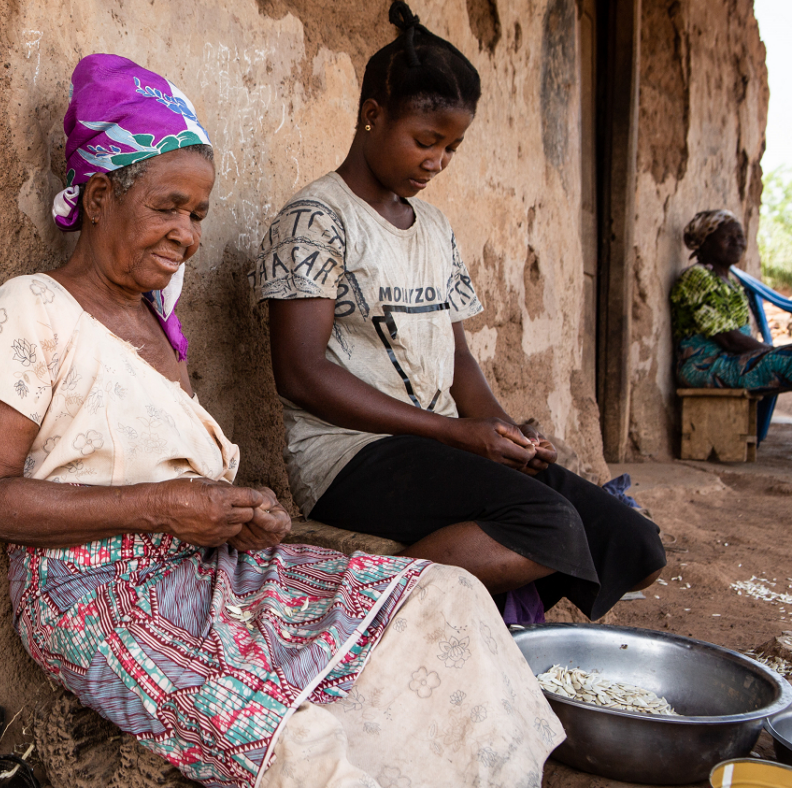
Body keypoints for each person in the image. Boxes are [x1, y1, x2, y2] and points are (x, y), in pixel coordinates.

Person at [0, 52, 561, 788]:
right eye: (168, 207)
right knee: (297, 745)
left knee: (445, 597)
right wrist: (169, 508)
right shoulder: (32, 309)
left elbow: (172, 480)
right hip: (93, 595)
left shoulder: (155, 320)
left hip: (208, 569)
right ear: (102, 195)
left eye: (198, 214)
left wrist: (237, 515)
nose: (188, 235)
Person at [254, 1, 665, 623]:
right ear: (372, 116)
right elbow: (301, 374)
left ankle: (477, 613)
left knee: (634, 543)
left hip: (438, 445)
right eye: (426, 140)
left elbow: (459, 355)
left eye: (451, 147)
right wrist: (452, 432)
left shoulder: (435, 228)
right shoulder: (317, 219)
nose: (437, 161)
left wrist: (502, 434)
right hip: (350, 456)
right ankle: (370, 621)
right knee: (546, 525)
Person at [672, 209, 792, 392]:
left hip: (732, 360)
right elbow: (730, 340)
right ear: (705, 243)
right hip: (706, 366)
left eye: (739, 235)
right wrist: (773, 352)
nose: (737, 242)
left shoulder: (732, 285)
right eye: (727, 237)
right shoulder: (697, 277)